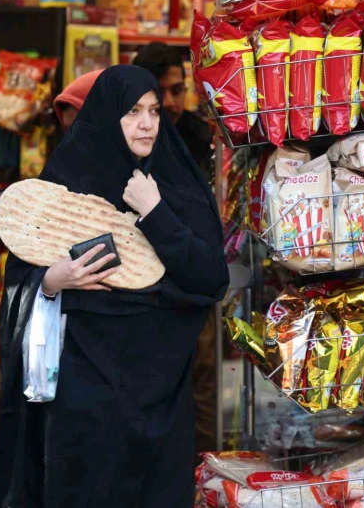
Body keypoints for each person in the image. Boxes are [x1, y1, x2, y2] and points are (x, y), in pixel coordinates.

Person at [0, 65, 228, 508]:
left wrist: (154, 211)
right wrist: (51, 281)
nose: (147, 124)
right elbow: (21, 273)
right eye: (132, 111)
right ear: (104, 116)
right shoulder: (65, 184)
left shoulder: (174, 184)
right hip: (85, 395)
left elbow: (211, 279)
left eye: (154, 111)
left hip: (161, 392)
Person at [133, 41, 219, 457]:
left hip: (192, 286)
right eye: (156, 96)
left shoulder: (198, 137)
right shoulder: (126, 146)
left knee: (201, 381)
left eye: (178, 90)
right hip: (140, 297)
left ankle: (202, 475)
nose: (169, 104)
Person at [132, 42, 213, 174]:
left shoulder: (202, 137)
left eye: (177, 90)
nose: (169, 102)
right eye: (158, 92)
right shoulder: (119, 136)